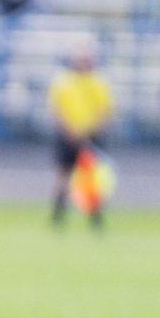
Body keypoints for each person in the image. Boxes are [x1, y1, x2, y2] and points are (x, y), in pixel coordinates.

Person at [48, 49, 113, 229]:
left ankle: (95, 218)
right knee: (64, 175)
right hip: (68, 135)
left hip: (90, 136)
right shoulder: (64, 82)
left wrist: (89, 131)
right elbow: (56, 109)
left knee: (91, 178)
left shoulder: (98, 82)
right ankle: (57, 215)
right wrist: (69, 130)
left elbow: (104, 110)